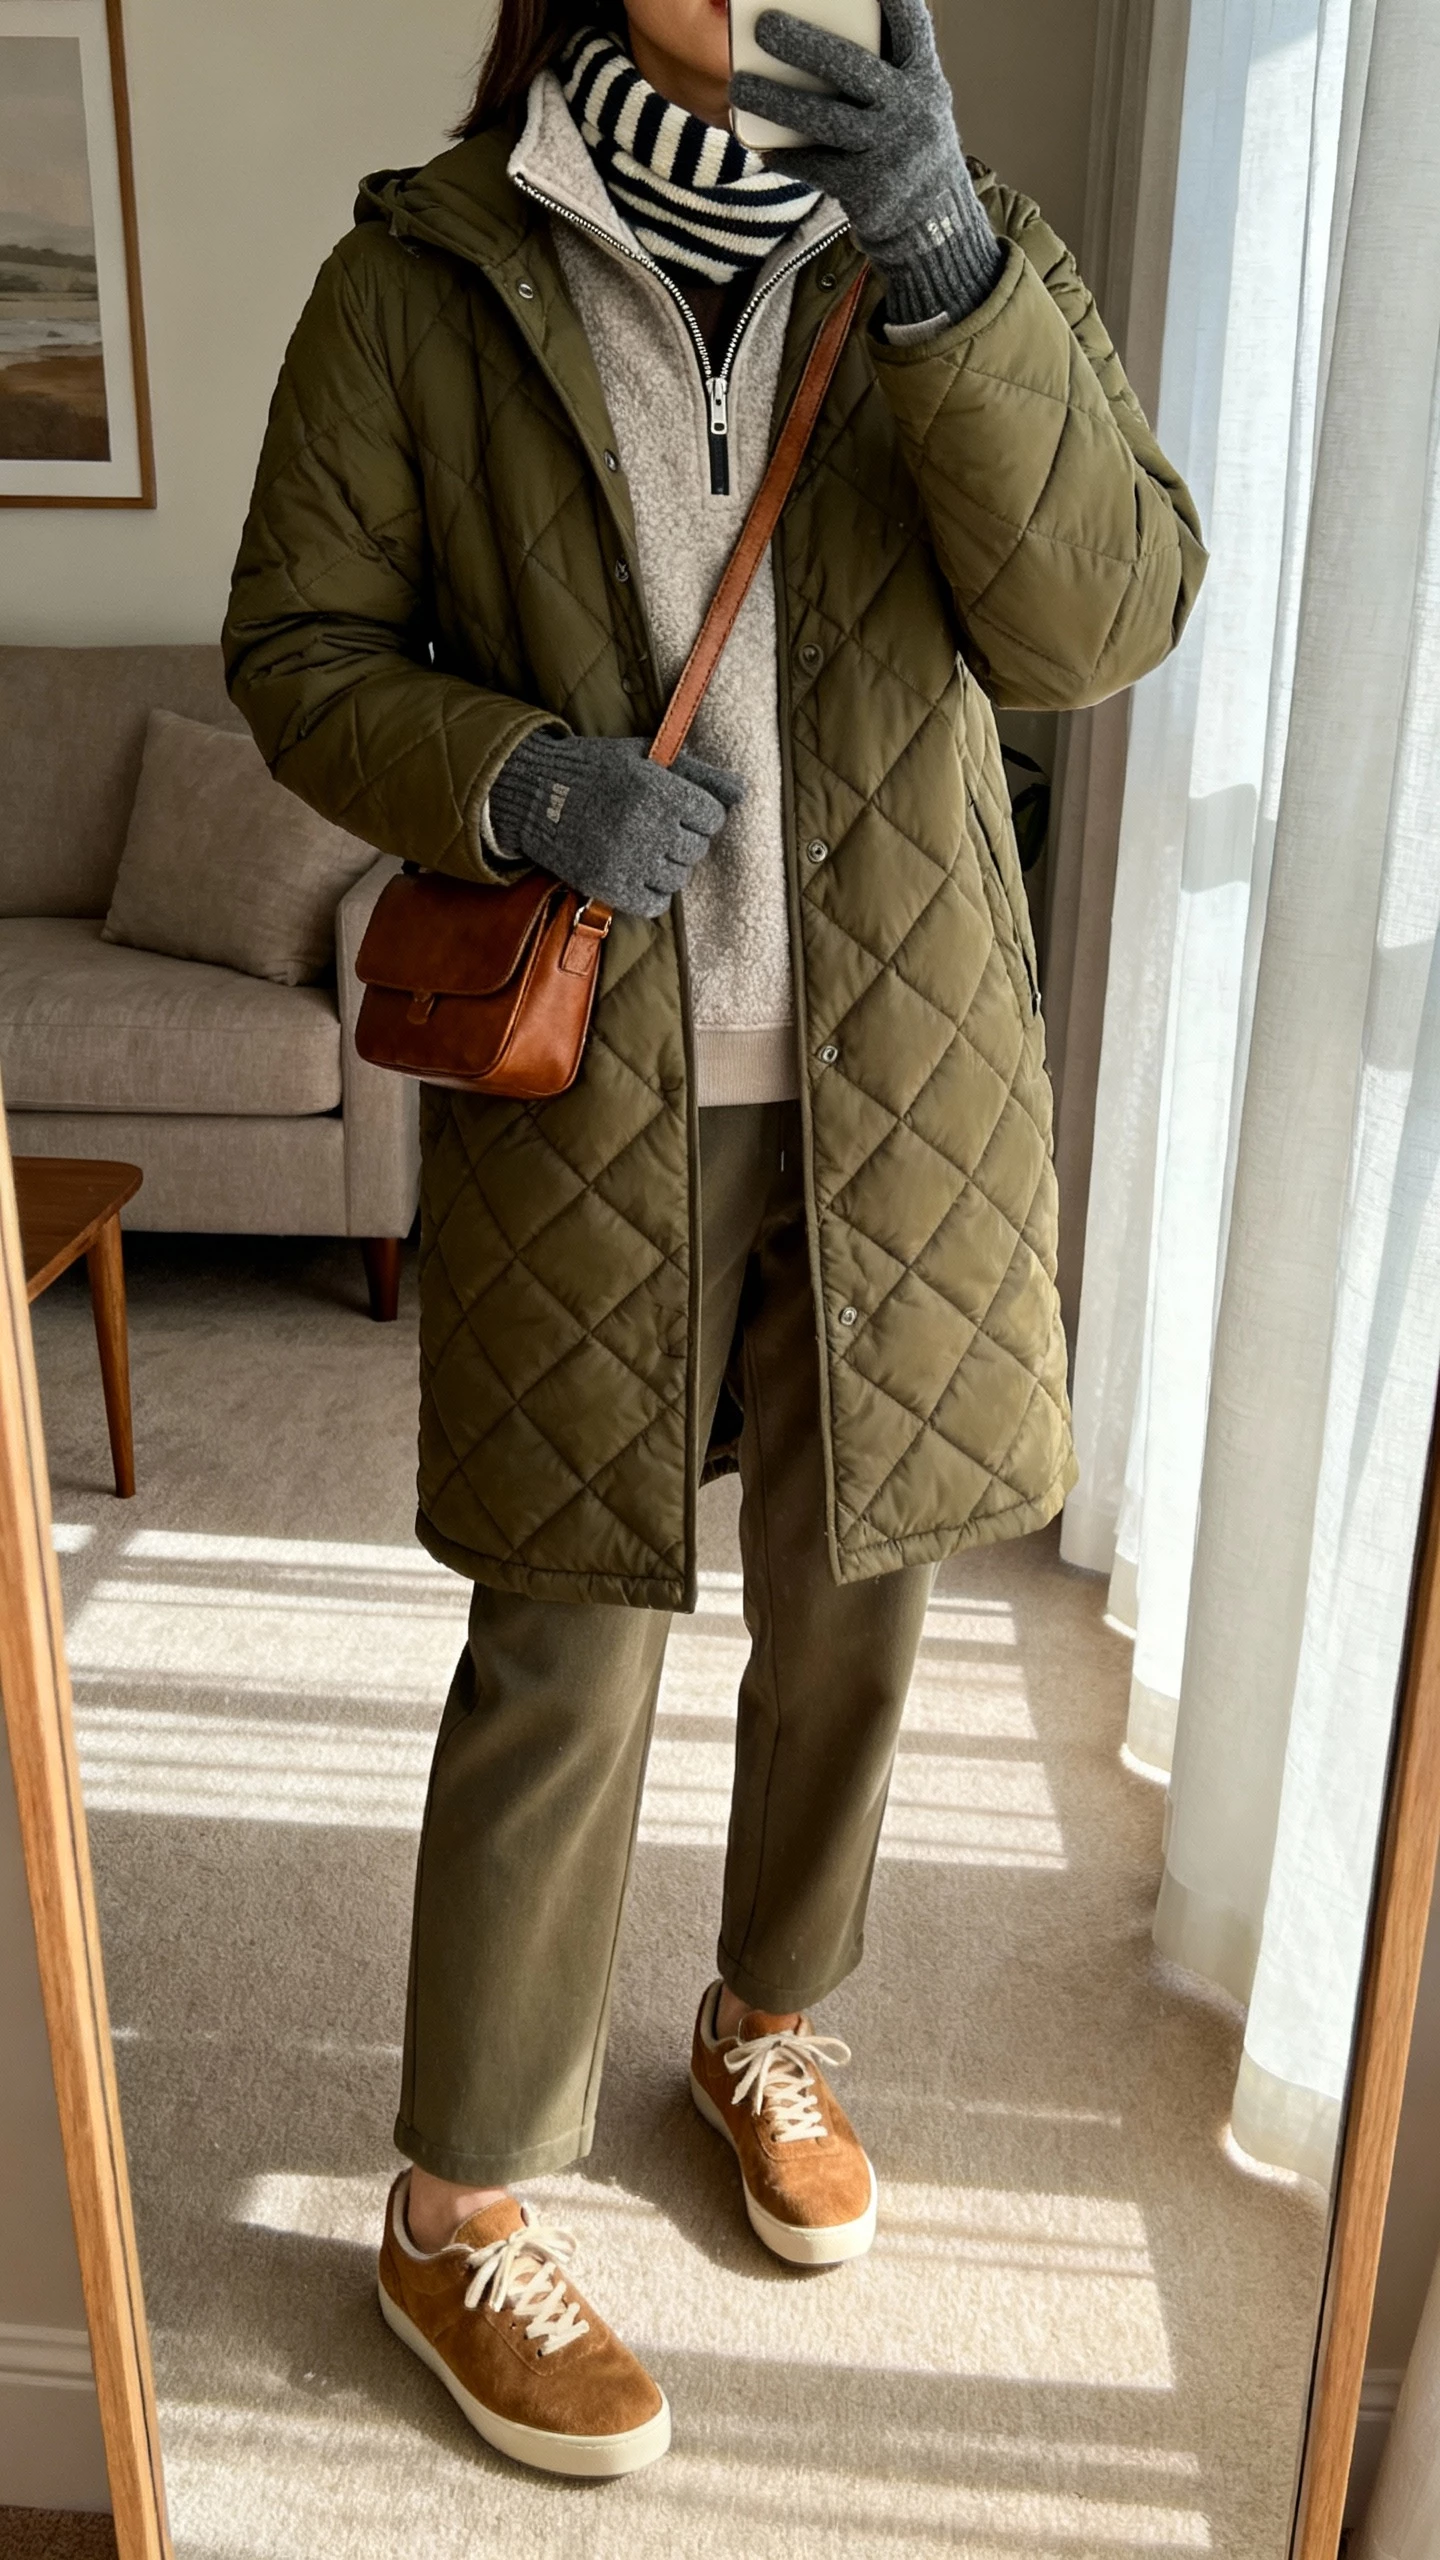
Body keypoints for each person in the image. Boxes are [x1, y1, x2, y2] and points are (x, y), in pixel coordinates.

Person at [224, 0, 1205, 2482]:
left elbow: (1105, 620)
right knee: (559, 1633)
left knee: (863, 1599)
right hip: (594, 1098)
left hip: (906, 1076)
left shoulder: (961, 246)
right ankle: (453, 2203)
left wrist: (960, 271)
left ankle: (772, 2013)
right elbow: (299, 651)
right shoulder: (428, 274)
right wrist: (515, 778)